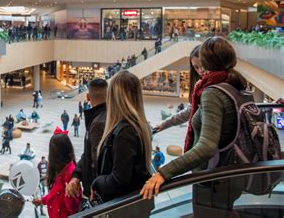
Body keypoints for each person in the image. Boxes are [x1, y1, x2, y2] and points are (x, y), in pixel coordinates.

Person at [140, 37, 247, 216]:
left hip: (213, 177)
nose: (200, 70)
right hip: (230, 170)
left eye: (201, 63)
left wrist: (164, 172)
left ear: (207, 61)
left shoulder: (212, 92)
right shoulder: (234, 84)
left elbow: (207, 146)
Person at [91, 71, 152, 203]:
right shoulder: (139, 126)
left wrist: (97, 182)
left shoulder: (125, 133)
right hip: (136, 203)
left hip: (122, 207)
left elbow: (119, 180)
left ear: (113, 97)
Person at [67, 78, 108, 199]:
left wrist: (94, 189)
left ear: (88, 97)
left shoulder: (98, 123)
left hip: (95, 195)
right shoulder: (101, 118)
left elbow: (97, 163)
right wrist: (76, 175)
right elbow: (88, 154)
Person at [153, 45, 202, 132]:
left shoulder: (211, 89)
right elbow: (189, 111)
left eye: (203, 65)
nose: (200, 71)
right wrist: (165, 124)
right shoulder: (199, 85)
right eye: (196, 67)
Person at [32, 132, 81, 218]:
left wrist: (69, 195)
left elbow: (73, 208)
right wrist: (42, 201)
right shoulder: (61, 170)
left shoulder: (70, 174)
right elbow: (55, 195)